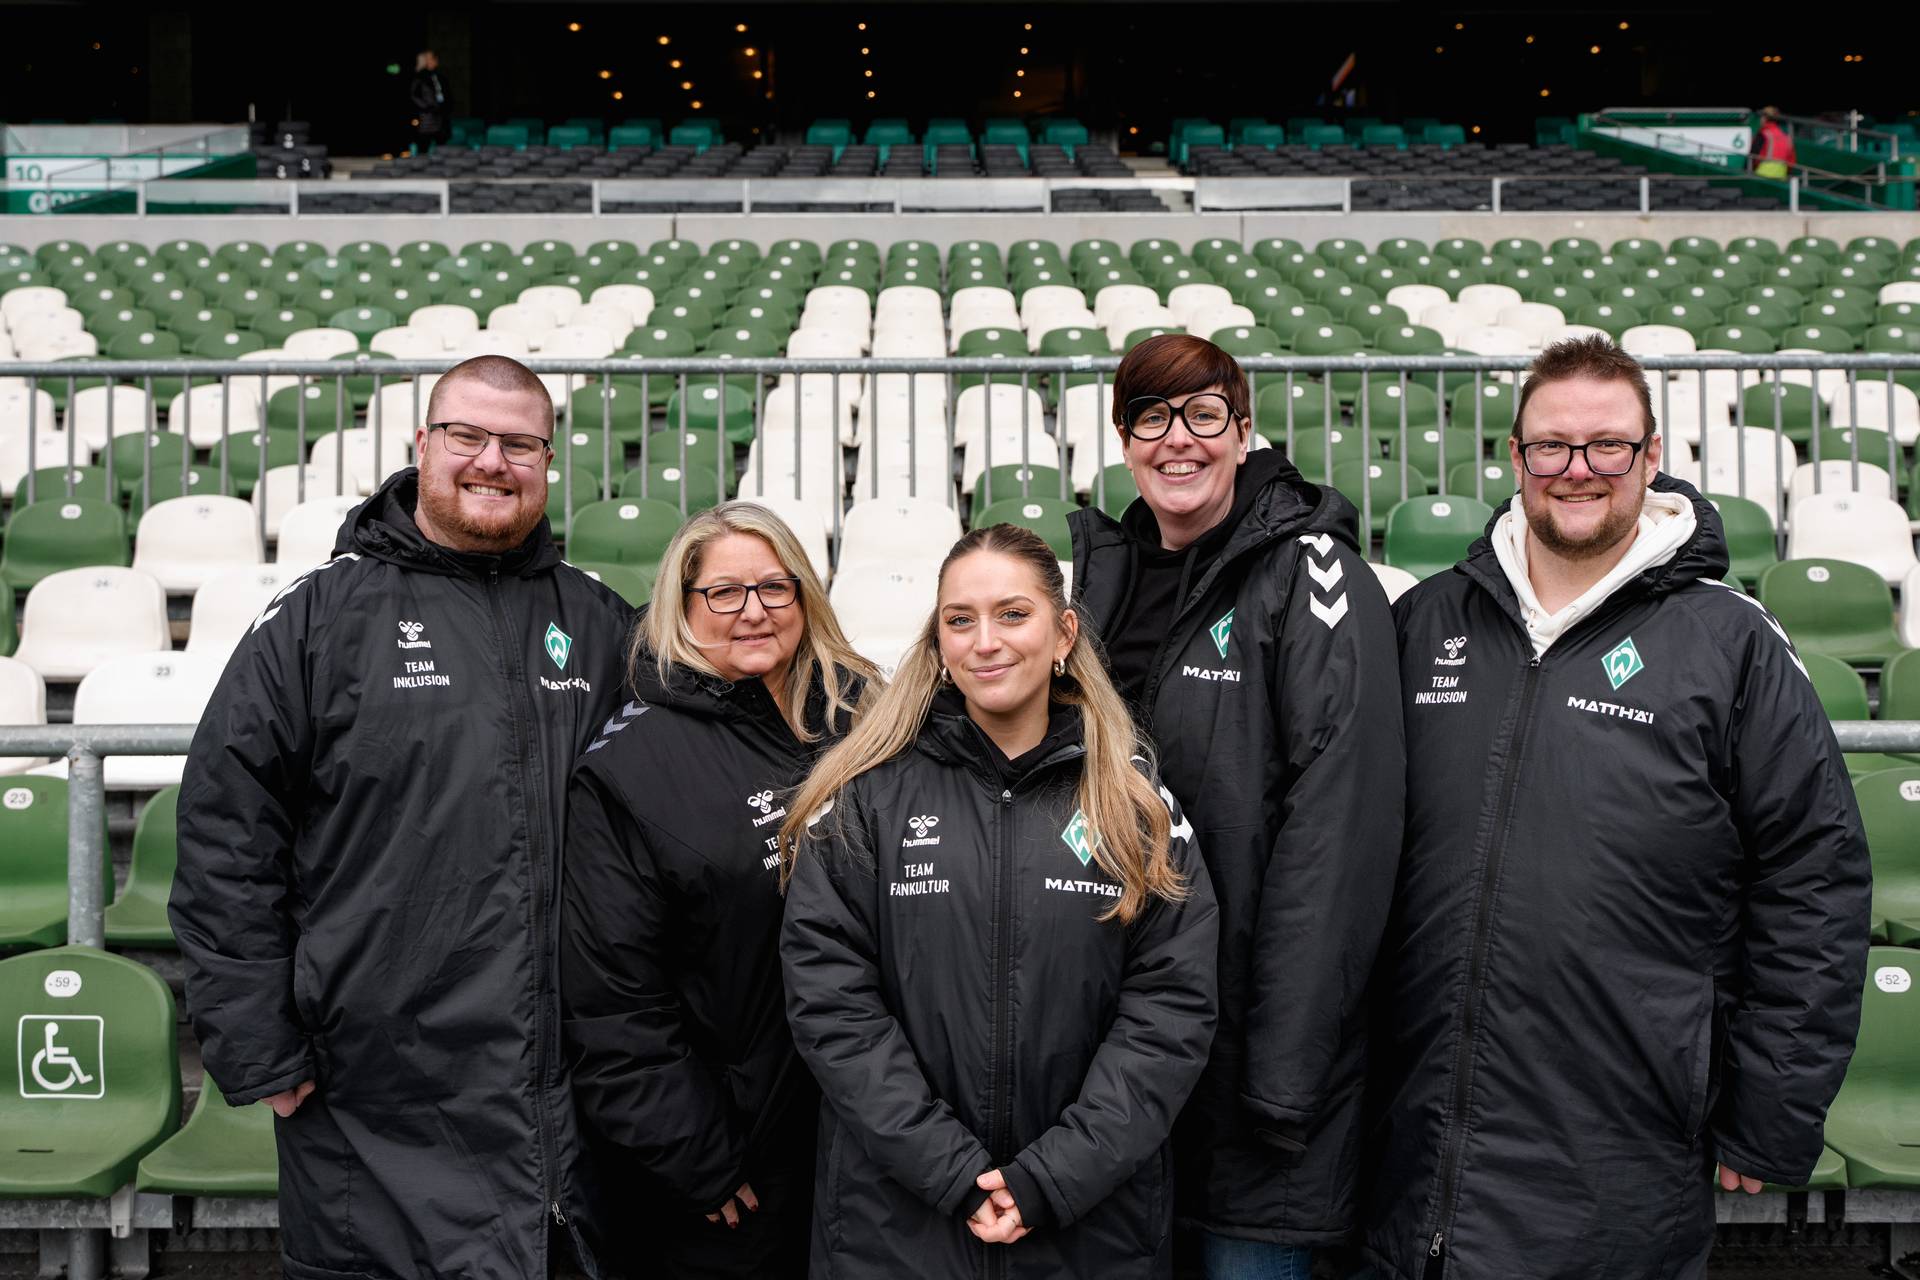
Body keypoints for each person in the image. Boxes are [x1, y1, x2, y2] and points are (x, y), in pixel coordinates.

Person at [1362, 335, 1872, 1280]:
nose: (1579, 468)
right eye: (1552, 445)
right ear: (1515, 457)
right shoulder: (1426, 622)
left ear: (1650, 455)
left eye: (1608, 445)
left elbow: (1815, 881)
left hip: (1620, 1164)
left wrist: (1771, 1107)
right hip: (1414, 1158)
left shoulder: (1732, 643)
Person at [172, 355, 634, 1280]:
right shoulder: (317, 619)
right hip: (372, 1098)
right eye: (467, 436)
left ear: (549, 462)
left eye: (520, 444)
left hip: (562, 1094)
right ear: (422, 444)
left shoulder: (597, 623)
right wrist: (260, 1045)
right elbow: (227, 834)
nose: (492, 461)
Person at [779, 524, 1220, 1279]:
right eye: (961, 620)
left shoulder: (1135, 803)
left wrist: (1054, 1177)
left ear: (1064, 633)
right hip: (899, 1232)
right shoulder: (865, 798)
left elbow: (1170, 1009)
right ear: (938, 643)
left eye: (1013, 614)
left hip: (1089, 1231)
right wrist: (950, 1170)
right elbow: (831, 1004)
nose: (986, 642)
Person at [1066, 334, 1404, 1278]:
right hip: (1122, 1068)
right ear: (1125, 441)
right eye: (1152, 418)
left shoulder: (1312, 574)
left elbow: (1338, 832)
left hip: (1253, 1071)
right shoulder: (1100, 581)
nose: (1178, 439)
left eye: (1204, 415)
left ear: (1244, 432)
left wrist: (1284, 1073)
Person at [560, 502, 879, 1279]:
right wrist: (695, 1156)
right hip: (732, 1170)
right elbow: (612, 1001)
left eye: (774, 587)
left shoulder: (865, 720)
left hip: (868, 1138)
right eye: (725, 592)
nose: (753, 611)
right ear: (683, 604)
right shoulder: (630, 768)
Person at [411, 49, 450, 153]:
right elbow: (414, 96)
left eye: (431, 59)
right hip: (426, 118)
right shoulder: (420, 77)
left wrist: (444, 108)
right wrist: (427, 107)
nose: (430, 61)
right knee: (424, 146)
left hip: (440, 117)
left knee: (441, 146)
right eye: (427, 59)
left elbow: (445, 95)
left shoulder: (439, 76)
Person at [1752, 105, 1795, 180]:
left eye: (1761, 117)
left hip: (1762, 177)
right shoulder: (1786, 137)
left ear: (1764, 118)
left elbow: (1754, 157)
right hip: (1781, 178)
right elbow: (1791, 162)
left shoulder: (1763, 135)